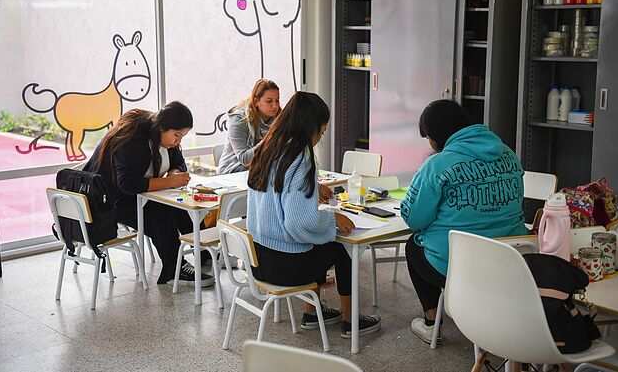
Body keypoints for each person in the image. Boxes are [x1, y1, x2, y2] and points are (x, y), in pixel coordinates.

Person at [247, 91, 381, 338]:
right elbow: (300, 223)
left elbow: (276, 191)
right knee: (341, 249)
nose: (321, 136)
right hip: (287, 266)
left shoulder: (270, 147)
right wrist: (333, 220)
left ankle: (312, 311)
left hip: (259, 260)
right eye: (322, 130)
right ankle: (349, 321)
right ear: (311, 127)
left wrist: (313, 189)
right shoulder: (301, 157)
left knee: (318, 242)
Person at [401, 99, 527, 344]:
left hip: (460, 265)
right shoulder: (509, 155)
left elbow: (415, 219)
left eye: (428, 137)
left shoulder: (437, 165)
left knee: (414, 246)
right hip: (510, 261)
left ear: (438, 135)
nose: (429, 143)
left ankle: (431, 323)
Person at [85, 101, 214, 286]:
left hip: (136, 197)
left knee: (184, 205)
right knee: (162, 213)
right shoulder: (131, 139)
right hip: (109, 202)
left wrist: (175, 173)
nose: (178, 141)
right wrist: (169, 182)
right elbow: (127, 184)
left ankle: (204, 251)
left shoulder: (164, 136)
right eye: (176, 135)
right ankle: (174, 268)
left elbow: (179, 163)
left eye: (182, 136)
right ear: (162, 127)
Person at [218, 78, 281, 174]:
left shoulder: (278, 118)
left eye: (277, 101)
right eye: (269, 101)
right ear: (256, 101)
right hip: (233, 172)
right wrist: (270, 137)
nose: (275, 106)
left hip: (259, 172)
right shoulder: (239, 119)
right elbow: (245, 159)